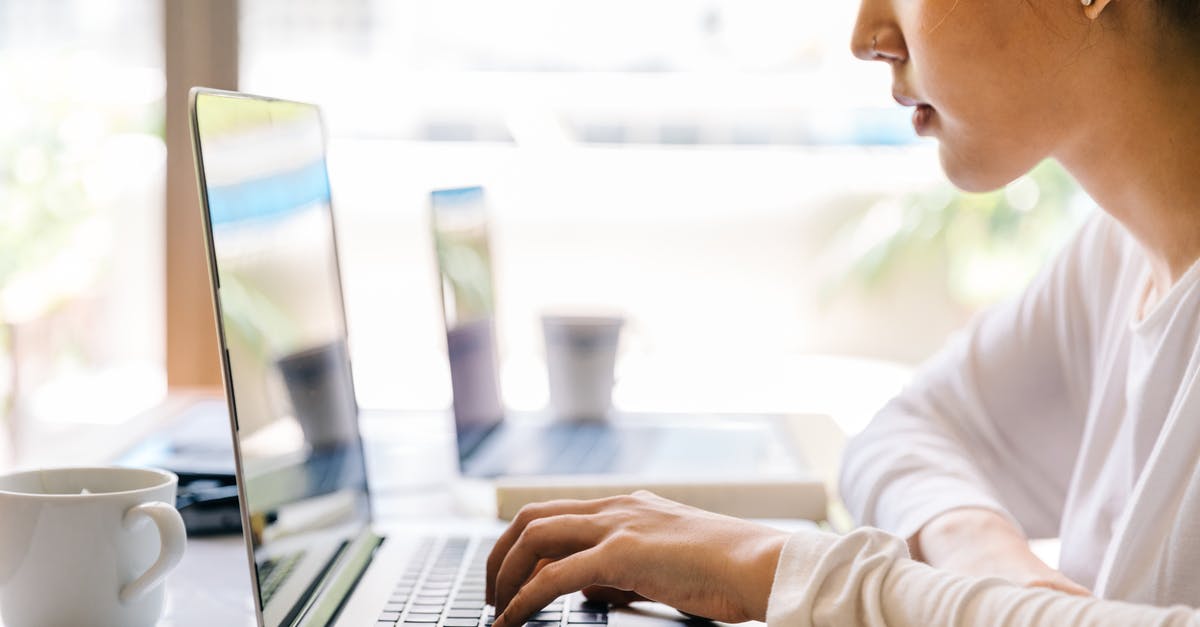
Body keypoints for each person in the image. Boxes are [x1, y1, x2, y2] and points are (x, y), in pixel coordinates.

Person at [485, 0, 1200, 624]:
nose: (866, 34)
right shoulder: (1116, 258)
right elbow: (904, 431)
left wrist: (774, 569)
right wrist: (1001, 580)